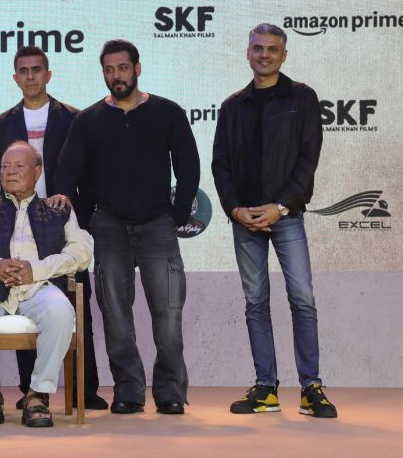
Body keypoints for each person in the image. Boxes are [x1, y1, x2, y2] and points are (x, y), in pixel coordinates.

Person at [55, 39, 200, 415]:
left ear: (137, 68)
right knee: (115, 314)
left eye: (122, 68)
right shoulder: (87, 120)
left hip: (158, 226)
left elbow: (189, 167)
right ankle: (129, 390)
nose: (116, 75)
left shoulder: (167, 112)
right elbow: (67, 172)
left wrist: (176, 215)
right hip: (110, 228)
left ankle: (169, 390)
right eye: (109, 69)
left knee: (168, 314)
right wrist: (84, 220)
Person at [211, 23, 337, 418]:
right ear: (248, 53)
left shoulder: (302, 97)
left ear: (284, 55)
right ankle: (266, 389)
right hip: (245, 219)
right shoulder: (232, 106)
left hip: (286, 216)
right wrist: (235, 210)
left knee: (303, 298)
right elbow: (220, 165)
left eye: (272, 49)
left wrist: (280, 207)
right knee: (255, 302)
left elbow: (307, 159)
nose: (264, 55)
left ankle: (311, 388)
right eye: (258, 48)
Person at [0, 142, 92, 427]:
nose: (10, 172)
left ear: (38, 171)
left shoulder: (58, 208)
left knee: (61, 312)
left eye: (19, 166)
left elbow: (82, 252)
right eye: (5, 167)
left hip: (38, 288)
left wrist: (36, 270)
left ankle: (37, 394)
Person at [0, 45, 106, 410]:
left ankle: (85, 389)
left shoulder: (74, 118)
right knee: (23, 302)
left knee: (77, 303)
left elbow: (90, 174)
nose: (30, 77)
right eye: (23, 71)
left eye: (36, 70)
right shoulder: (1, 123)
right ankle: (31, 390)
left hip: (62, 226)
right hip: (18, 226)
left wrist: (75, 210)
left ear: (48, 74)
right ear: (15, 78)